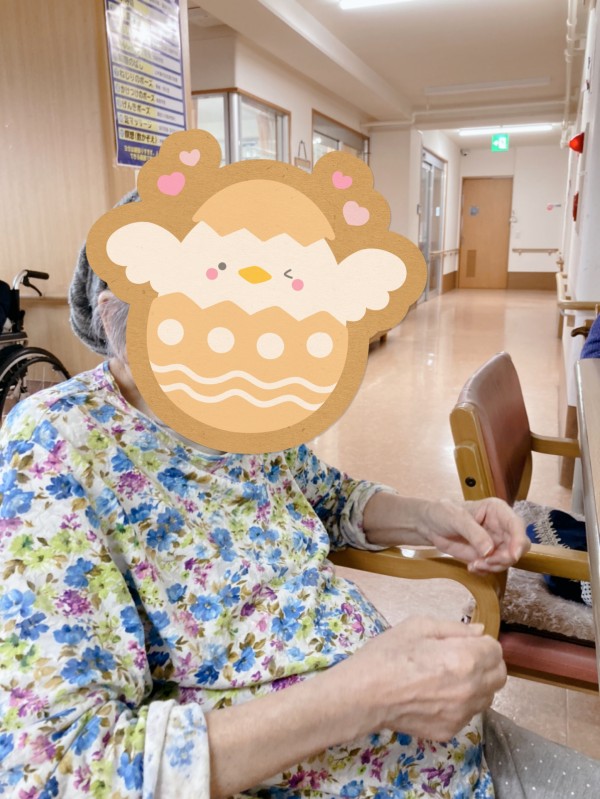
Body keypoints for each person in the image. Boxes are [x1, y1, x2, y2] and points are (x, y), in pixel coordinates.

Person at [0, 240, 598, 799]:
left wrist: (433, 517)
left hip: (443, 746)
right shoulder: (56, 440)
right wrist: (365, 694)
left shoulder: (236, 404)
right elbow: (61, 768)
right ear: (115, 314)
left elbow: (332, 498)